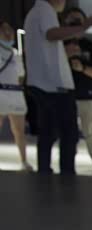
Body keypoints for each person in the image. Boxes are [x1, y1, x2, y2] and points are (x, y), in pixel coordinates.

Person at [23, 0, 92, 175]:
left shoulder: (35, 13)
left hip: (44, 84)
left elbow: (48, 41)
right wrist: (81, 27)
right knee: (67, 133)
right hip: (54, 86)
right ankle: (66, 174)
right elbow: (51, 34)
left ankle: (46, 172)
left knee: (48, 133)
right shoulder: (45, 10)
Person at [63, 7, 92, 176]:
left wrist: (83, 68)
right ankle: (67, 166)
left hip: (88, 96)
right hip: (65, 95)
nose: (75, 24)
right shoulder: (60, 45)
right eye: (71, 20)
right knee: (67, 133)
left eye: (78, 20)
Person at [0, 20, 32, 171]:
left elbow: (21, 76)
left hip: (15, 94)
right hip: (1, 93)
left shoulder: (16, 54)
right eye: (4, 30)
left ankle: (24, 161)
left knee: (19, 130)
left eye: (10, 30)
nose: (8, 33)